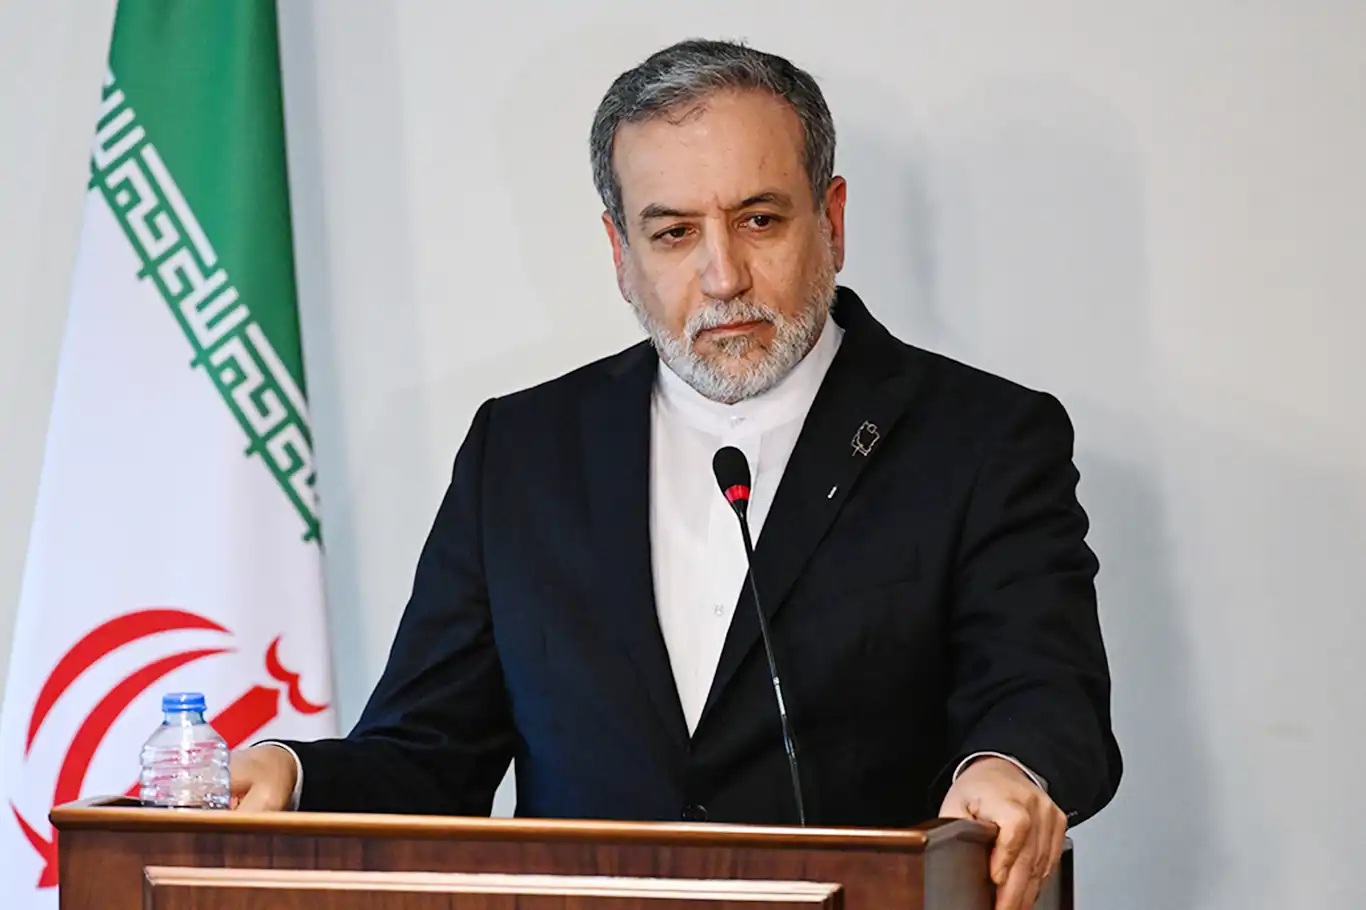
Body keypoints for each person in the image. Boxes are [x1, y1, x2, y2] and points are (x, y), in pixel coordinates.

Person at [230, 39, 1121, 910]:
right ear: (621, 253)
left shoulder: (982, 437)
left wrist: (1005, 767)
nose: (723, 276)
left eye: (759, 220)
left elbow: (1046, 692)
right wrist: (291, 774)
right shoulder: (525, 450)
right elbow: (428, 752)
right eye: (674, 233)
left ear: (833, 220)